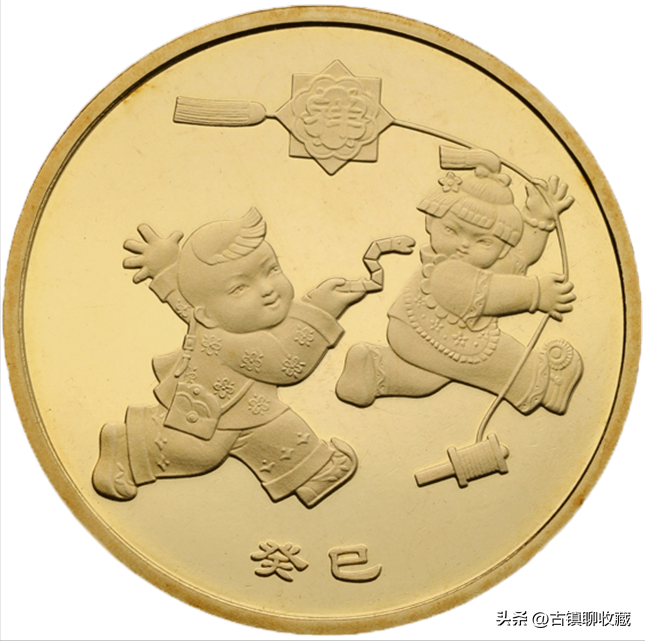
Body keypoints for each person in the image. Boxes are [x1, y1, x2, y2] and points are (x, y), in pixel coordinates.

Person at [93, 207, 365, 507]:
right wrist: (322, 313)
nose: (267, 289)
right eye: (239, 288)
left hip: (245, 404)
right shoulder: (234, 341)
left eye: (271, 270)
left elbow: (185, 304)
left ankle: (315, 473)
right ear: (208, 315)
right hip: (215, 409)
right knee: (203, 452)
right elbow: (290, 366)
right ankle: (126, 448)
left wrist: (166, 268)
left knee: (275, 432)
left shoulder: (214, 316)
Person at [336, 147, 583, 415]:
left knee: (428, 380)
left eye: (483, 242)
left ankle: (373, 369)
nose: (464, 245)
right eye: (451, 230)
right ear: (431, 222)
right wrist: (536, 293)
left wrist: (538, 220)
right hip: (424, 333)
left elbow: (520, 256)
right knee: (499, 355)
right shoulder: (446, 271)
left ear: (501, 249)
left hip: (425, 338)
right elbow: (489, 295)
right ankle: (543, 380)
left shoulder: (483, 263)